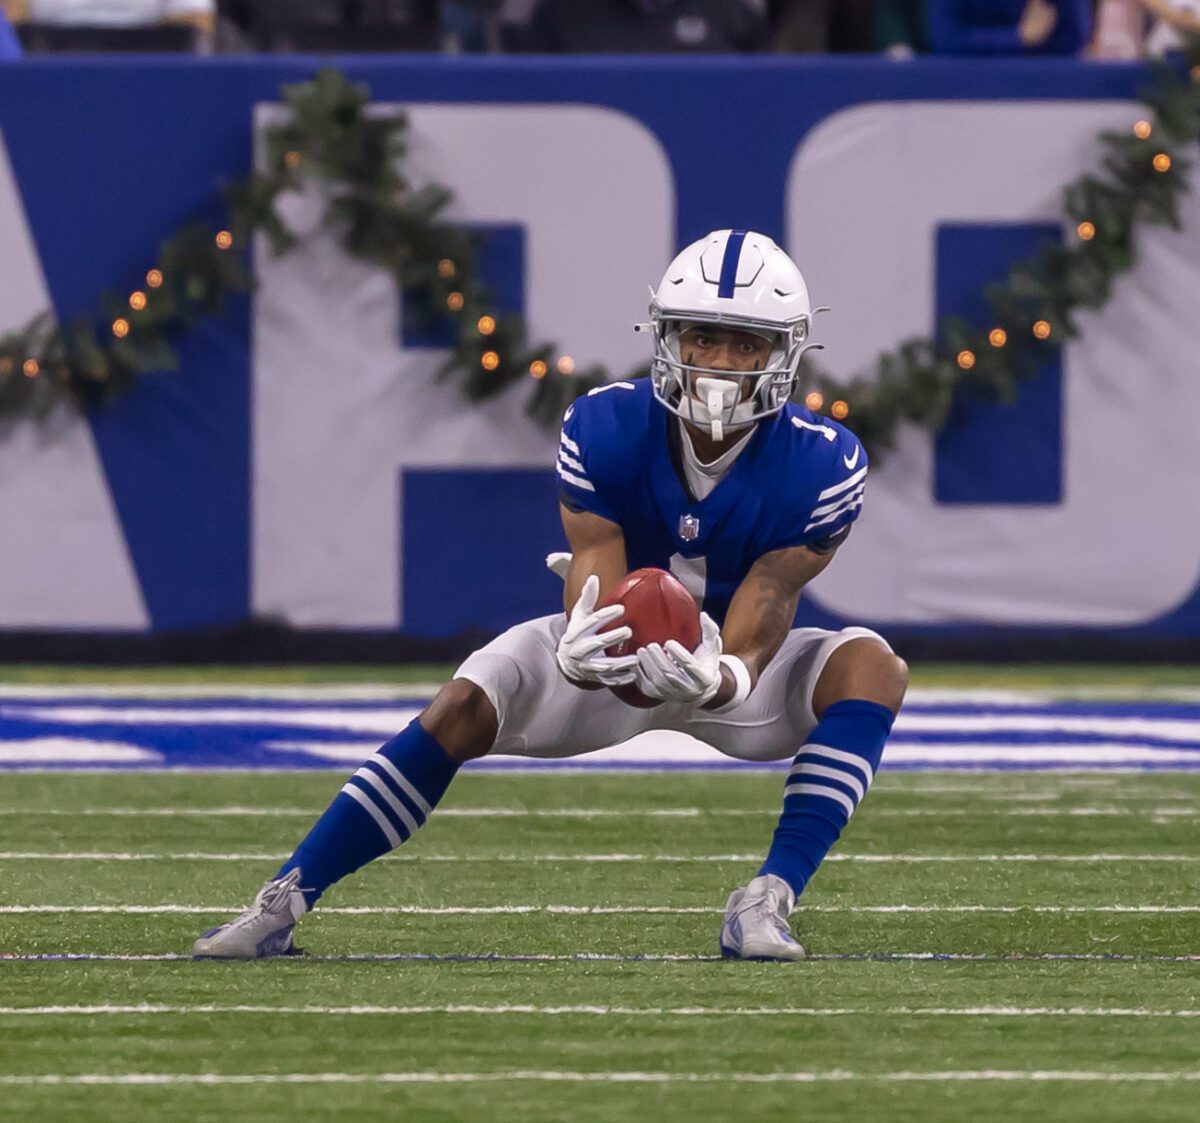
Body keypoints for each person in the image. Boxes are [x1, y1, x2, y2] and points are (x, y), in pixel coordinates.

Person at [193, 230, 908, 964]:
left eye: (744, 344)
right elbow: (596, 562)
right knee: (467, 701)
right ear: (666, 338)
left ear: (782, 353)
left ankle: (768, 898)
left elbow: (770, 594)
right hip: (609, 658)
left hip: (726, 667)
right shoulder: (606, 425)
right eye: (702, 338)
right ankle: (286, 896)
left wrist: (724, 675)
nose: (719, 363)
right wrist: (582, 635)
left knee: (872, 668)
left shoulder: (823, 461)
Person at [928, 0, 1092, 54]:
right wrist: (1017, 38)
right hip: (968, 89)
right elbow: (946, 40)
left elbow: (1075, 39)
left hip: (1046, 91)